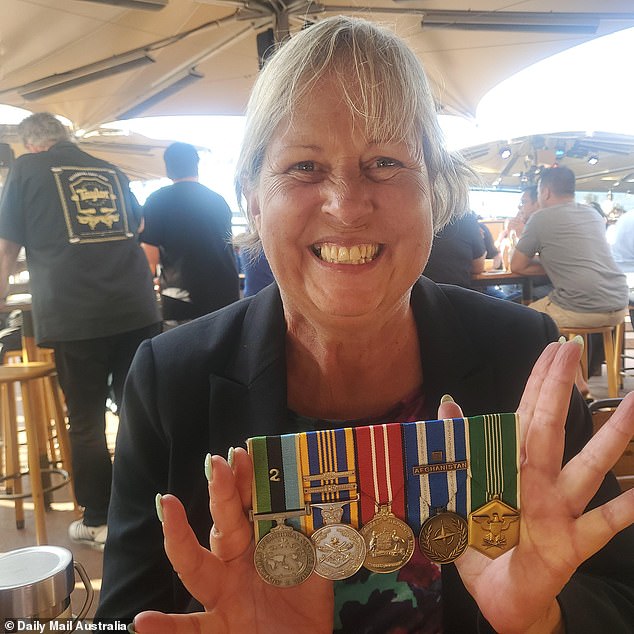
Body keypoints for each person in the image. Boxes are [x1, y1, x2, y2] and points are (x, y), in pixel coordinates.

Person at [96, 17, 634, 633]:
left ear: (435, 189)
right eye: (303, 166)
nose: (347, 205)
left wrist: (544, 621)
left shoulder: (521, 359)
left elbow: (618, 597)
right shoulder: (172, 379)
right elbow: (123, 618)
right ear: (250, 194)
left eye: (384, 161)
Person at [0, 112, 161, 549]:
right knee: (138, 411)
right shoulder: (110, 169)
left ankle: (98, 519)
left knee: (86, 420)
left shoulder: (26, 169)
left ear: (32, 144)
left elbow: (6, 248)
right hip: (136, 306)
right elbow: (138, 227)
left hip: (76, 315)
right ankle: (149, 507)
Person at [511, 166, 629, 396]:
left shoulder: (540, 218)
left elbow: (517, 265)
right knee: (546, 312)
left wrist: (548, 261)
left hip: (582, 305)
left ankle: (562, 387)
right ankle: (580, 379)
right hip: (618, 304)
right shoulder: (593, 214)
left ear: (544, 192)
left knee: (523, 320)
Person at [140, 142, 240, 329]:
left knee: (183, 353)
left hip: (183, 297)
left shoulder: (157, 201)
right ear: (196, 165)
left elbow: (149, 259)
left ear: (168, 168)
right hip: (226, 293)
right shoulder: (218, 200)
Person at [422, 211, 485, 288]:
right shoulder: (466, 217)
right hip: (458, 293)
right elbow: (478, 267)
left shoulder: (419, 213)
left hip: (420, 293)